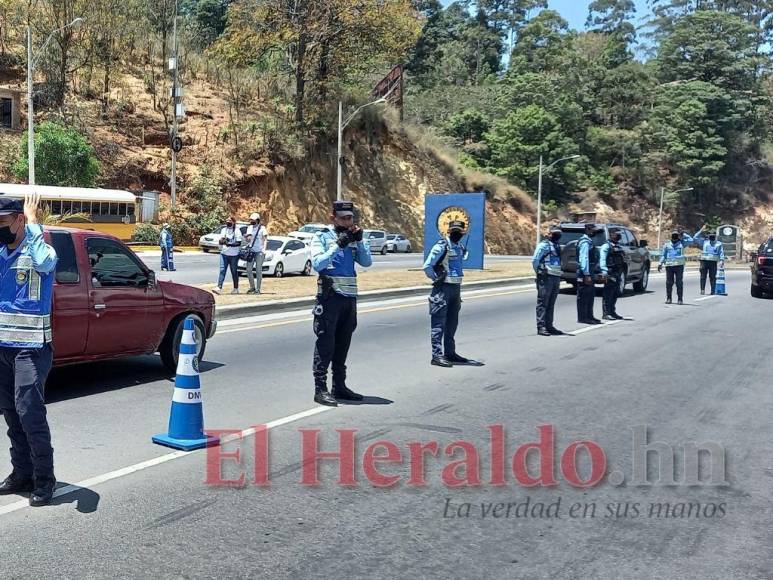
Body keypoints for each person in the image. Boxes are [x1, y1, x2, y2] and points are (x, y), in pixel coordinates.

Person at [0, 193, 58, 507]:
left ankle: (44, 479)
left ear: (20, 220)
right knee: (11, 414)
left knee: (29, 415)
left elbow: (46, 263)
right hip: (3, 350)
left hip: (31, 350)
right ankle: (21, 472)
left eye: (3, 221)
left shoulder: (40, 251)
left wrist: (35, 224)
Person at [310, 201, 372, 406]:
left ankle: (340, 386)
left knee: (343, 344)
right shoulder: (322, 237)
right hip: (330, 297)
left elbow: (366, 262)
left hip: (349, 298)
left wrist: (360, 242)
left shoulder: (353, 236)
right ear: (333, 217)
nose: (348, 221)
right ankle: (320, 389)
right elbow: (318, 264)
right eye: (344, 217)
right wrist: (339, 244)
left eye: (350, 217)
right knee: (326, 343)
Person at [423, 220, 480, 366]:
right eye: (454, 231)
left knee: (452, 323)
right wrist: (437, 279)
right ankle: (436, 355)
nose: (457, 234)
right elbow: (428, 266)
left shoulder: (460, 247)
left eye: (459, 232)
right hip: (443, 288)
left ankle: (450, 353)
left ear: (463, 233)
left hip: (456, 289)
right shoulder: (442, 246)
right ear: (448, 231)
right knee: (438, 324)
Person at [532, 226, 564, 336]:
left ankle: (549, 325)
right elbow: (535, 260)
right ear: (549, 234)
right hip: (545, 277)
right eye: (555, 233)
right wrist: (539, 272)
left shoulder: (557, 246)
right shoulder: (543, 245)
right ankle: (541, 326)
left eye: (559, 233)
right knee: (543, 303)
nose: (557, 235)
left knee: (551, 303)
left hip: (556, 277)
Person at [657, 229, 694, 305]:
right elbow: (663, 255)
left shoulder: (682, 243)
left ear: (678, 236)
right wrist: (660, 263)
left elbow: (691, 240)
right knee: (669, 283)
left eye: (676, 235)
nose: (674, 237)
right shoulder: (667, 245)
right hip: (669, 266)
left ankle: (680, 299)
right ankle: (669, 298)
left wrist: (683, 234)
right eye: (673, 235)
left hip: (679, 266)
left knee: (679, 282)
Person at [577, 223, 601, 324]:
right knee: (584, 295)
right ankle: (583, 317)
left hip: (589, 271)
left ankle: (589, 316)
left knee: (590, 294)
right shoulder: (584, 243)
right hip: (584, 273)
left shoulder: (589, 242)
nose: (594, 232)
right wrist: (586, 274)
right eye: (593, 230)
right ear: (588, 230)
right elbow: (584, 259)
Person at [599, 229, 625, 321]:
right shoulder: (606, 246)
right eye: (617, 234)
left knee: (615, 293)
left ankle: (612, 311)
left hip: (617, 272)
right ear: (612, 235)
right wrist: (604, 271)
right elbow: (602, 259)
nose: (619, 236)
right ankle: (606, 313)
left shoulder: (618, 246)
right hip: (609, 272)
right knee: (608, 293)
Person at [213, 217, 242, 295]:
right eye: (227, 220)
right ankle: (219, 287)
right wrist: (222, 241)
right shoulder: (224, 230)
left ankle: (236, 288)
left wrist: (229, 244)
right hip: (224, 253)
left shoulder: (237, 231)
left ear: (233, 222)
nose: (228, 222)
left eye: (230, 221)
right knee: (222, 270)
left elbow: (238, 243)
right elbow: (222, 240)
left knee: (234, 272)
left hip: (234, 255)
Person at [693, 225, 725, 295]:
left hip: (713, 263)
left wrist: (722, 261)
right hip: (704, 262)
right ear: (708, 236)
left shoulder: (719, 244)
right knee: (703, 276)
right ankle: (702, 290)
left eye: (713, 236)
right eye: (710, 236)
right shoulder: (705, 242)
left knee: (712, 277)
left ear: (715, 236)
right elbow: (695, 238)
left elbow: (721, 252)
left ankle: (712, 291)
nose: (712, 237)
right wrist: (701, 230)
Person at [244, 212, 268, 295]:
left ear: (257, 220)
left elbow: (265, 239)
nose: (251, 222)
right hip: (252, 250)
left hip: (260, 251)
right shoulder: (249, 228)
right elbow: (248, 240)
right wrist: (247, 237)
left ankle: (258, 288)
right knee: (248, 269)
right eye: (250, 220)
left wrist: (264, 249)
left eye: (253, 220)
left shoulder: (262, 228)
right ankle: (252, 287)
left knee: (258, 270)